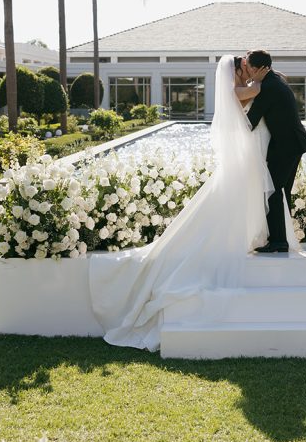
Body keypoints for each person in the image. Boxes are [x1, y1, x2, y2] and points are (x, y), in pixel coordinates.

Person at [90, 54, 283, 351]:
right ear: (234, 72)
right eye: (242, 67)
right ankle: (235, 238)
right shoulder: (243, 89)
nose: (247, 71)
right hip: (243, 154)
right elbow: (260, 87)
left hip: (243, 152)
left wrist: (251, 74)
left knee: (230, 199)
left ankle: (242, 235)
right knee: (229, 200)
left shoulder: (235, 90)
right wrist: (260, 74)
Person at [244, 49, 306, 253]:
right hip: (292, 144)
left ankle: (279, 242)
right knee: (281, 191)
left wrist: (230, 119)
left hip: (287, 146)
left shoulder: (268, 87)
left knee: (272, 190)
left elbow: (251, 121)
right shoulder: (275, 80)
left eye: (249, 68)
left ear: (258, 69)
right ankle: (280, 237)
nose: (247, 71)